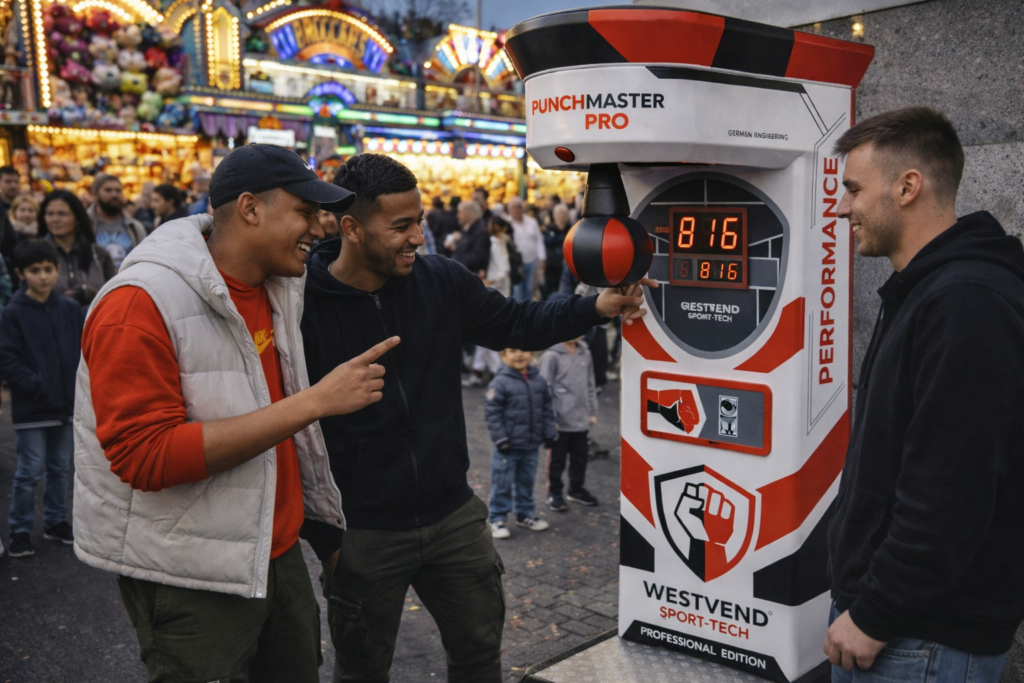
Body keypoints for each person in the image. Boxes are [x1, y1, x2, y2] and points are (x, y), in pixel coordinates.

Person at [299, 153, 654, 682]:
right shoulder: (302, 304)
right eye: (401, 226)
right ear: (351, 228)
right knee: (361, 670)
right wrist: (326, 539)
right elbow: (291, 435)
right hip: (363, 532)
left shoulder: (440, 279)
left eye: (418, 220)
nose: (418, 236)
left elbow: (516, 322)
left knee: (479, 658)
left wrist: (593, 308)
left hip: (454, 518)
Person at [72, 144, 396, 682]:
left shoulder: (278, 283)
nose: (320, 227)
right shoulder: (138, 302)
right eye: (304, 211)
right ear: (249, 209)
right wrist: (315, 401)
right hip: (190, 575)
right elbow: (143, 458)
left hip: (277, 553)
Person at [824, 107, 1024, 682]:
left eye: (853, 189)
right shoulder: (929, 287)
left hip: (920, 641)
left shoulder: (965, 301)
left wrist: (873, 614)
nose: (841, 208)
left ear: (908, 187)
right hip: (903, 628)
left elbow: (950, 491)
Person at [1, 240, 86, 557]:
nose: (42, 276)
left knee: (60, 468)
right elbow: (7, 358)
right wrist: (37, 385)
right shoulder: (12, 313)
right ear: (21, 274)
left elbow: (84, 350)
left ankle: (55, 521)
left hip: (65, 405)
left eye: (48, 269)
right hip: (33, 408)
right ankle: (19, 529)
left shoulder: (69, 309)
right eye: (34, 270)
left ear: (57, 270)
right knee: (29, 471)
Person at [484, 347, 556, 539]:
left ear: (533, 354)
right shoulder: (500, 382)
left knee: (527, 481)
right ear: (503, 356)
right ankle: (497, 518)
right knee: (502, 482)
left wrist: (549, 434)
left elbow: (547, 410)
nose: (519, 354)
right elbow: (493, 414)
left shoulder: (539, 381)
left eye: (524, 350)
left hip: (531, 445)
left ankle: (525, 514)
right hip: (507, 447)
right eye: (513, 350)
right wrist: (501, 439)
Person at [539, 335, 599, 510]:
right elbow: (545, 388)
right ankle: (554, 493)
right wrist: (551, 419)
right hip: (560, 423)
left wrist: (592, 411)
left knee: (580, 458)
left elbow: (590, 383)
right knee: (557, 461)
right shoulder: (552, 356)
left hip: (581, 420)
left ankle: (576, 489)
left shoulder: (585, 352)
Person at [38, 190, 116, 309]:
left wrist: (89, 293)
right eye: (50, 214)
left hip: (93, 323)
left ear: (77, 218)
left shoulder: (98, 254)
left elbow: (114, 294)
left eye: (62, 214)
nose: (55, 219)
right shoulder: (36, 253)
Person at [463, 215, 514, 387]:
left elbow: (502, 270)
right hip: (497, 289)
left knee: (488, 329)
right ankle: (482, 370)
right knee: (485, 330)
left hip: (494, 290)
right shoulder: (501, 242)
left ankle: (496, 370)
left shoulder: (496, 243)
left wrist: (488, 282)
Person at [86, 174, 147, 269]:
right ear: (95, 194)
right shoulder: (85, 224)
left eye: (118, 191)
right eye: (108, 190)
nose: (114, 195)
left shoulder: (135, 227)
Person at [508, 197, 545, 301]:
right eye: (514, 207)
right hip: (516, 265)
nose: (517, 210)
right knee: (517, 291)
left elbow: (539, 240)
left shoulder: (532, 221)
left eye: (519, 207)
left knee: (529, 290)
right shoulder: (507, 223)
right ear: (510, 210)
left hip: (532, 262)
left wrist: (542, 258)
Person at [448, 197, 490, 276]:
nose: (457, 216)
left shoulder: (480, 232)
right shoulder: (468, 229)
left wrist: (455, 262)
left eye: (460, 212)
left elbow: (478, 256)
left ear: (469, 214)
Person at [542, 204, 570, 298]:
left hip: (567, 265)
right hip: (552, 265)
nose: (562, 215)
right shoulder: (550, 228)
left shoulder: (572, 228)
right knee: (549, 289)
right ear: (554, 216)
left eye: (564, 213)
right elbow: (548, 241)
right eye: (560, 213)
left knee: (564, 290)